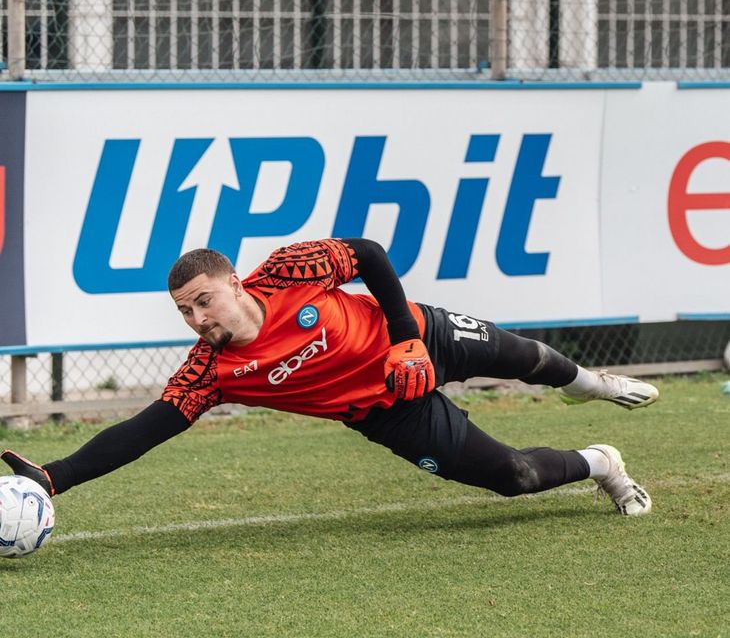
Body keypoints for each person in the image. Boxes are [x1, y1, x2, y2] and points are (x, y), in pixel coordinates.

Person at [2, 238, 657, 516]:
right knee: (515, 478)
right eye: (185, 312)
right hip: (388, 413)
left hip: (415, 336)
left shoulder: (290, 270)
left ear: (234, 281)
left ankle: (589, 385)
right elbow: (139, 432)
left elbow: (368, 255)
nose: (198, 319)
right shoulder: (212, 372)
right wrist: (54, 476)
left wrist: (405, 339)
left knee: (530, 361)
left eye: (205, 301)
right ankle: (603, 462)